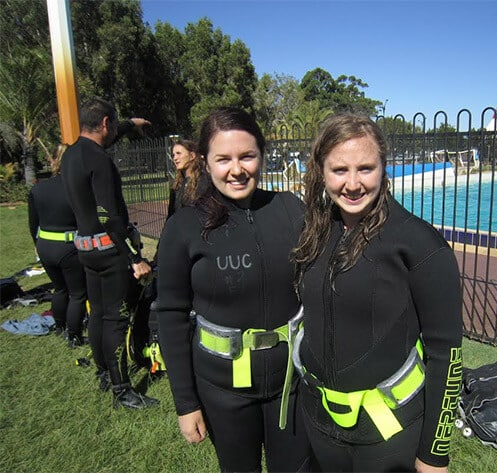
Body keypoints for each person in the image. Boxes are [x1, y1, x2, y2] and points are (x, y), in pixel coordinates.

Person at [292, 113, 463, 472]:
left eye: (365, 168)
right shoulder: (315, 232)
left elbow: (446, 354)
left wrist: (434, 453)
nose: (353, 184)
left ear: (384, 168)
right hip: (319, 420)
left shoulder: (418, 243)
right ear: (321, 171)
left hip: (387, 433)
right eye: (339, 170)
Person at [156, 107, 310, 472]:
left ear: (262, 156)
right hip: (222, 391)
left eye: (247, 156)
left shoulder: (290, 209)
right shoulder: (185, 227)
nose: (237, 169)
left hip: (292, 382)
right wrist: (185, 403)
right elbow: (171, 316)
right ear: (206, 163)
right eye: (223, 159)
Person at [60, 97, 158, 410]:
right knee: (116, 319)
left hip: (86, 250)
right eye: (114, 124)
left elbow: (90, 212)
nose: (115, 130)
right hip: (110, 250)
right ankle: (122, 389)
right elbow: (110, 215)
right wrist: (135, 258)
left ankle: (104, 371)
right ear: (105, 124)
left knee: (99, 313)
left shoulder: (72, 155)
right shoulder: (99, 160)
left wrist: (132, 123)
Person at [28, 144, 87, 347]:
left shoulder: (38, 188)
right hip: (68, 246)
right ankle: (74, 335)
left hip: (45, 246)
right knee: (78, 294)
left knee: (60, 289)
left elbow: (32, 223)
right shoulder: (76, 188)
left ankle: (60, 327)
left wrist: (37, 244)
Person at [167, 139, 209, 219]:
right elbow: (171, 214)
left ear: (192, 156)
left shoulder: (204, 181)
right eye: (173, 155)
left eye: (179, 153)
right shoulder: (176, 185)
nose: (175, 158)